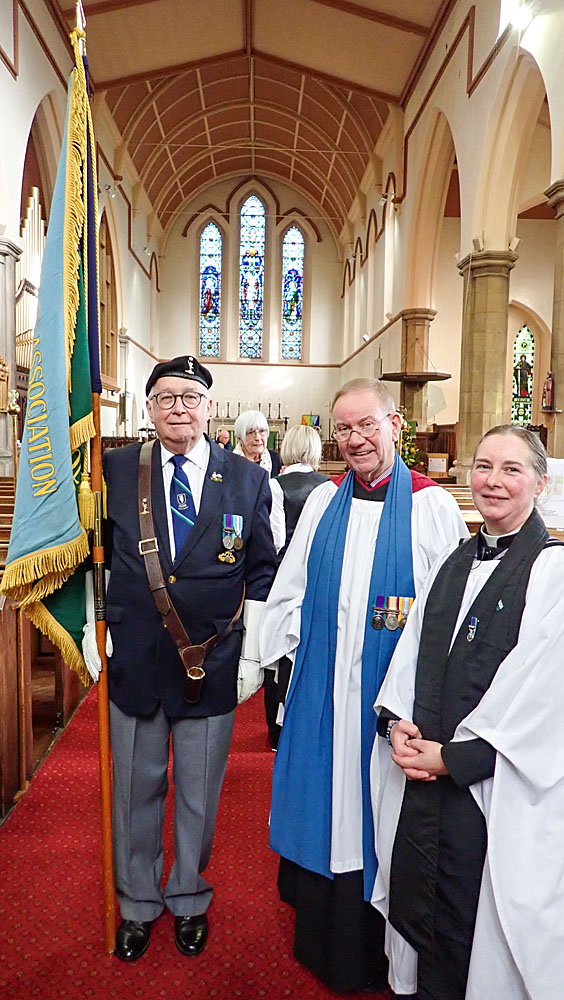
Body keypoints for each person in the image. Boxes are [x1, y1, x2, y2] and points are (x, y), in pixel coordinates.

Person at [259, 377, 468, 993]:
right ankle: (326, 939)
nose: (355, 440)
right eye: (344, 429)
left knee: (381, 818)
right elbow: (289, 588)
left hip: (391, 705)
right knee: (327, 811)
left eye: (366, 425)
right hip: (325, 695)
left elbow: (445, 615)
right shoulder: (324, 503)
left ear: (394, 425)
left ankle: (379, 949)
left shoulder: (431, 507)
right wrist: (279, 657)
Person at [82, 355, 277, 963]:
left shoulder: (246, 479)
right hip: (137, 656)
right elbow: (96, 555)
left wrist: (255, 652)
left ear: (208, 406)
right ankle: (138, 903)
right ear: (148, 409)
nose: (178, 409)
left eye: (190, 397)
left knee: (198, 793)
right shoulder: (114, 470)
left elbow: (263, 569)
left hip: (212, 661)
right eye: (165, 398)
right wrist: (95, 626)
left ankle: (189, 896)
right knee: (138, 789)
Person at [371, 425, 564, 1000]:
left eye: (511, 469)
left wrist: (457, 758)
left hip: (491, 785)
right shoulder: (452, 563)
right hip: (425, 771)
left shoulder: (552, 572)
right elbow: (410, 655)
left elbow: (545, 689)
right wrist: (396, 724)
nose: (493, 481)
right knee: (422, 914)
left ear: (540, 483)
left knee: (480, 930)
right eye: (483, 466)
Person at [266, 424, 329, 750]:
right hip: (318, 578)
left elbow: (276, 538)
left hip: (285, 576)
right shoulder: (331, 486)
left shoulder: (277, 486)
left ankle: (277, 731)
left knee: (280, 650)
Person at [269, 423, 328, 560]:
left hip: (286, 562)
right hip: (319, 560)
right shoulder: (328, 484)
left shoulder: (276, 485)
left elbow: (277, 539)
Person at [234, 409, 282, 477]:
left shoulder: (275, 458)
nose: (258, 438)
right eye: (251, 433)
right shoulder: (231, 462)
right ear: (239, 438)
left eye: (262, 431)